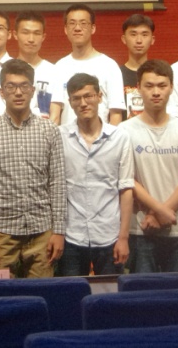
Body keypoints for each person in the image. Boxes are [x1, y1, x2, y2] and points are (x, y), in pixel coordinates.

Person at [0, 59, 66, 277]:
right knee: (3, 296)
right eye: (11, 86)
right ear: (1, 92)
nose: (18, 92)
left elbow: (58, 183)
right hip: (1, 233)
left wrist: (59, 231)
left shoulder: (50, 130)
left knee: (41, 294)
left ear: (33, 90)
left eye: (24, 86)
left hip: (42, 232)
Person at [119, 60, 178, 273]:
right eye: (149, 86)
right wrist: (160, 211)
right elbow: (127, 179)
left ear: (171, 87)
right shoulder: (124, 131)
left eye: (162, 85)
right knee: (143, 291)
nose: (156, 92)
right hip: (141, 228)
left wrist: (162, 214)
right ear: (138, 88)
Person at [57, 73, 134, 276]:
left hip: (109, 235)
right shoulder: (60, 136)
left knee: (111, 293)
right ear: (70, 102)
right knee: (72, 293)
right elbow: (55, 188)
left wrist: (123, 237)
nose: (83, 103)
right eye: (76, 98)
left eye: (88, 96)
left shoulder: (120, 137)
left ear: (99, 97)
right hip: (71, 235)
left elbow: (126, 189)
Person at [50, 4, 127, 126]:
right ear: (65, 29)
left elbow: (116, 114)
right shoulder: (59, 67)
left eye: (83, 23)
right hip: (68, 136)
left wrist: (111, 138)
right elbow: (55, 114)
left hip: (101, 136)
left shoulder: (109, 66)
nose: (77, 28)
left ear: (93, 28)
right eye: (72, 23)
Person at [14, 11, 58, 121]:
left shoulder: (54, 71)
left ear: (43, 37)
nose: (31, 39)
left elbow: (56, 116)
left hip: (46, 130)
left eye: (37, 33)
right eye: (25, 33)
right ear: (15, 34)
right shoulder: (6, 71)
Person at [120, 14, 155, 120]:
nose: (139, 40)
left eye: (144, 34)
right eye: (133, 34)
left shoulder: (160, 75)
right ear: (124, 39)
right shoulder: (116, 74)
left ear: (152, 39)